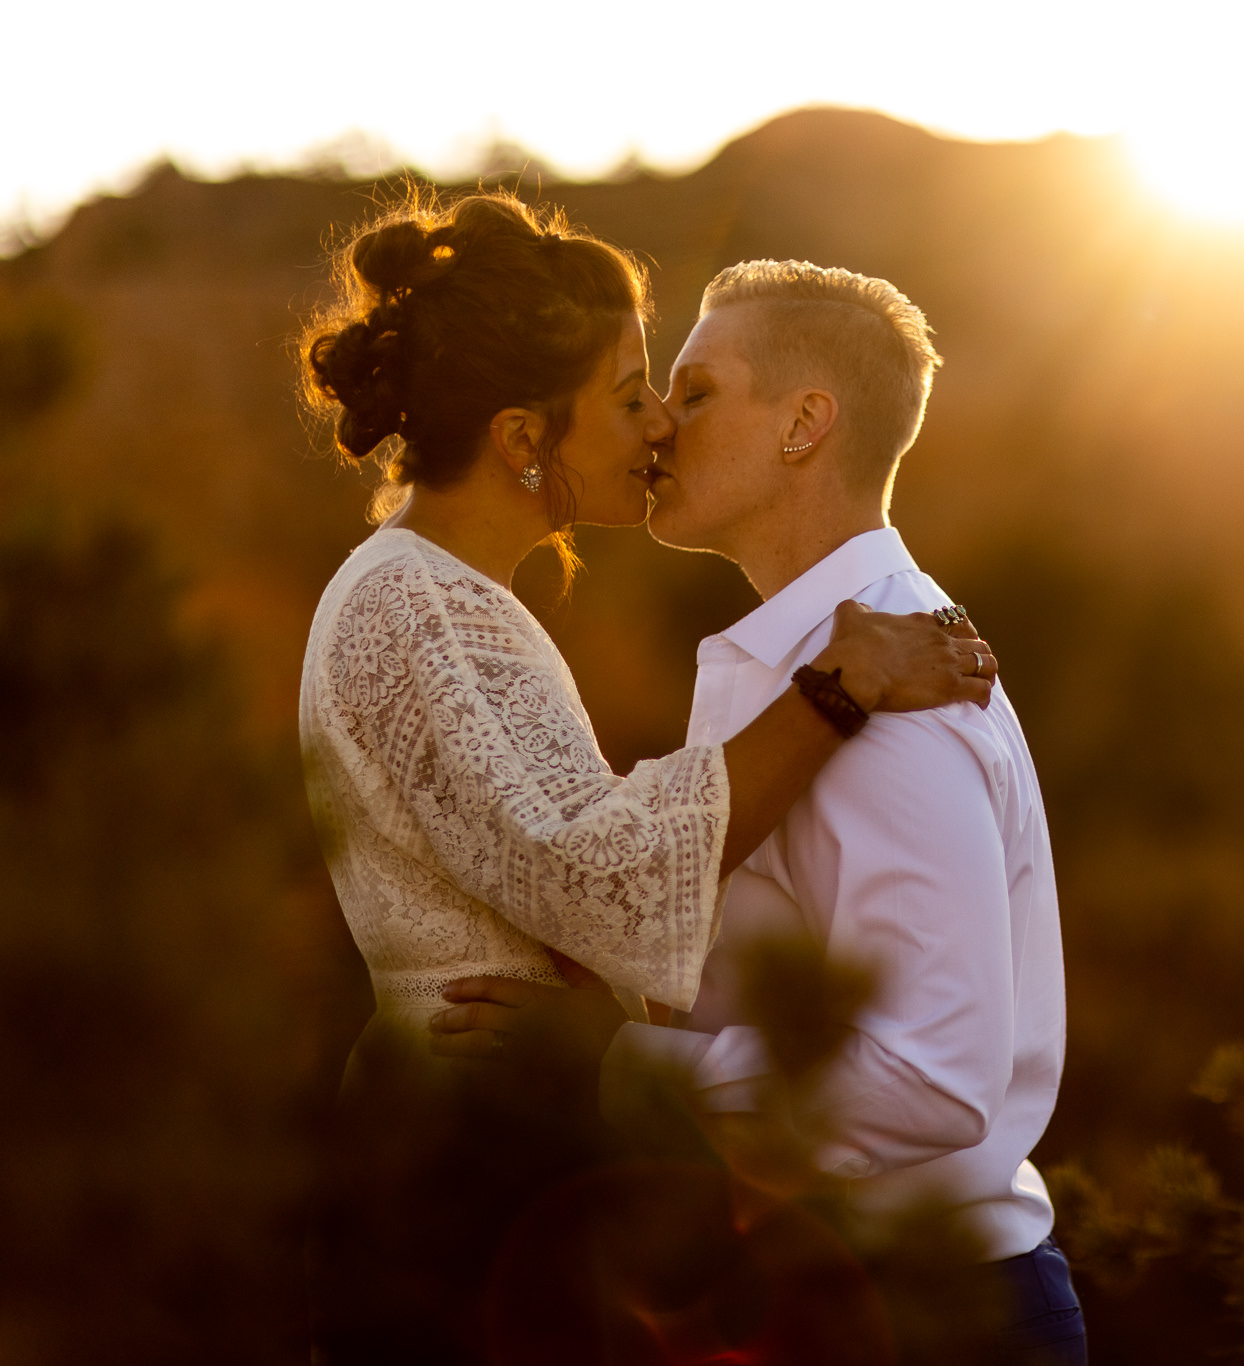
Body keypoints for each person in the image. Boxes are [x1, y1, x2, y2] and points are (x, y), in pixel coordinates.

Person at [297, 194, 997, 1365]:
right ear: (524, 438)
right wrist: (836, 684)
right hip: (459, 1175)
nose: (660, 423)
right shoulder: (416, 609)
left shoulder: (448, 598)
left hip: (502, 1159)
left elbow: (553, 870)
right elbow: (594, 880)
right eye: (630, 396)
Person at [437, 260, 1083, 1363]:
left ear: (802, 425)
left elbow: (933, 1075)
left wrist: (621, 1064)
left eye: (694, 393)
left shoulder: (904, 696)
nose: (655, 425)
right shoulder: (819, 665)